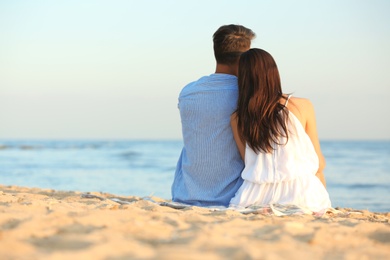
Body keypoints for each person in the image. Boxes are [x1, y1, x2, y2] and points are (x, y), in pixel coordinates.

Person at [229, 48, 331, 212]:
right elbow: (319, 163)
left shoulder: (237, 118)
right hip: (301, 194)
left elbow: (247, 162)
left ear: (242, 79)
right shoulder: (302, 106)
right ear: (273, 74)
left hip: (255, 195)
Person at [171, 25, 256, 207]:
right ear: (245, 57)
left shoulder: (188, 91)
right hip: (231, 198)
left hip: (184, 195)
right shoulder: (246, 94)